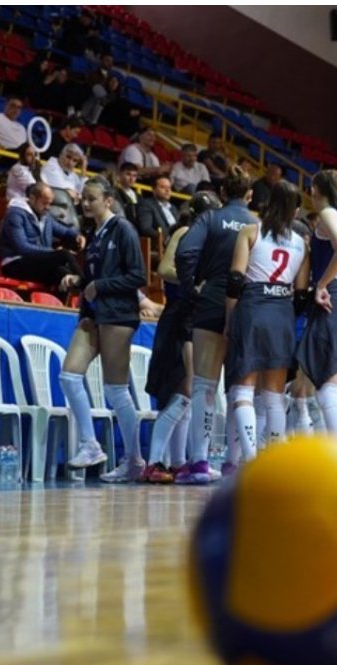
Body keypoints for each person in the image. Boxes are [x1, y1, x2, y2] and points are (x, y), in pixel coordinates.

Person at [55, 177, 147, 482]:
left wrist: (99, 286)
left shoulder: (122, 229)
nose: (85, 202)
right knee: (69, 376)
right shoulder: (95, 233)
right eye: (83, 198)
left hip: (119, 314)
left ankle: (134, 460)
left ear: (108, 200)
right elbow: (95, 277)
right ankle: (90, 444)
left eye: (91, 198)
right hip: (93, 314)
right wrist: (78, 281)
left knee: (115, 390)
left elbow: (138, 276)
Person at [176, 167, 256, 484]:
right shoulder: (257, 223)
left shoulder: (210, 218)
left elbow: (185, 253)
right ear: (249, 195)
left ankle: (198, 460)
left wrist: (191, 287)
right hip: (247, 305)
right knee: (239, 388)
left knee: (203, 386)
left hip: (211, 300)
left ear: (222, 194)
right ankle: (234, 463)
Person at [224, 180, 309, 466]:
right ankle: (273, 462)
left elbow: (235, 280)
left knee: (244, 390)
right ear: (295, 211)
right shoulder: (301, 243)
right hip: (282, 311)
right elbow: (301, 291)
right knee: (274, 395)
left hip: (252, 306)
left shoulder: (251, 231)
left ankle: (248, 459)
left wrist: (229, 318)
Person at [141, 191, 223, 483]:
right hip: (179, 315)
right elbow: (163, 269)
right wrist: (196, 281)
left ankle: (177, 462)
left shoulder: (207, 239)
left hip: (192, 313)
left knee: (187, 393)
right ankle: (153, 462)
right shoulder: (186, 231)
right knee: (186, 390)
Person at [294, 169, 337, 438]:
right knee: (335, 389)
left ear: (315, 190)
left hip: (332, 301)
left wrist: (321, 284)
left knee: (326, 391)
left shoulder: (328, 213)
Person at [0, 183, 83, 288]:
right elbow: (22, 248)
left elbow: (63, 231)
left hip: (34, 262)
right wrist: (53, 252)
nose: (48, 207)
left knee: (63, 274)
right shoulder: (15, 214)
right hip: (14, 264)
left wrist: (77, 236)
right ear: (32, 199)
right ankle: (84, 281)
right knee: (64, 254)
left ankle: (73, 295)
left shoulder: (45, 216)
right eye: (44, 203)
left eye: (50, 204)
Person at [40, 142, 87, 226]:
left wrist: (83, 170)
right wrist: (74, 195)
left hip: (68, 214)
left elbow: (82, 194)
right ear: (61, 154)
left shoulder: (73, 175)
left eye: (75, 161)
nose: (70, 163)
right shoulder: (51, 167)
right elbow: (66, 194)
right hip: (50, 213)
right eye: (68, 157)